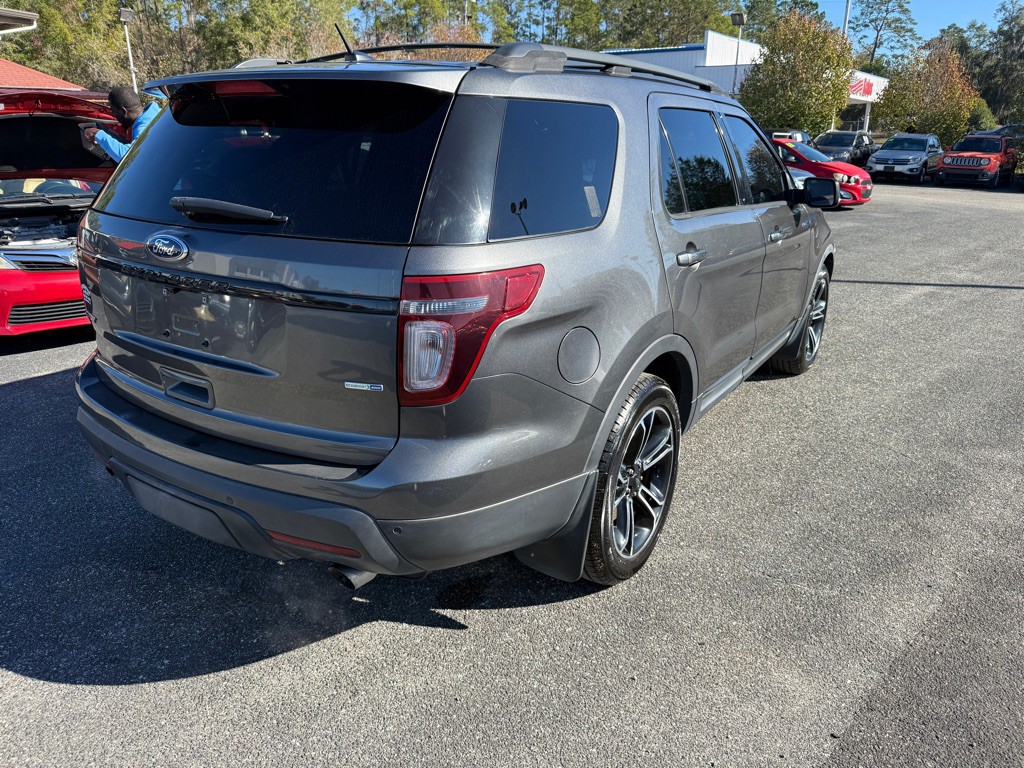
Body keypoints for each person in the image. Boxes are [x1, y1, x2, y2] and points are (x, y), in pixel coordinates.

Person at [83, 86, 161, 163]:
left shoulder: (145, 126)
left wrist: (98, 135)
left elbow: (129, 158)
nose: (113, 115)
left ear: (124, 111)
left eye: (114, 111)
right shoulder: (157, 113)